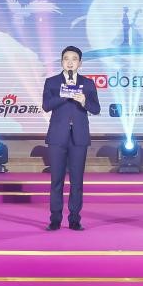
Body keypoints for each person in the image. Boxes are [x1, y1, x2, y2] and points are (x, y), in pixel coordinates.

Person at [42, 45, 100, 230]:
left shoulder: (88, 84)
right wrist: (64, 94)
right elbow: (46, 105)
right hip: (57, 137)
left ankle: (75, 219)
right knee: (56, 180)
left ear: (80, 63)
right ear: (61, 62)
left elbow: (96, 109)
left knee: (77, 181)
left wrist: (84, 101)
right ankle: (55, 219)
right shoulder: (51, 82)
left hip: (79, 137)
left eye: (74, 59)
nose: (70, 62)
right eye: (66, 58)